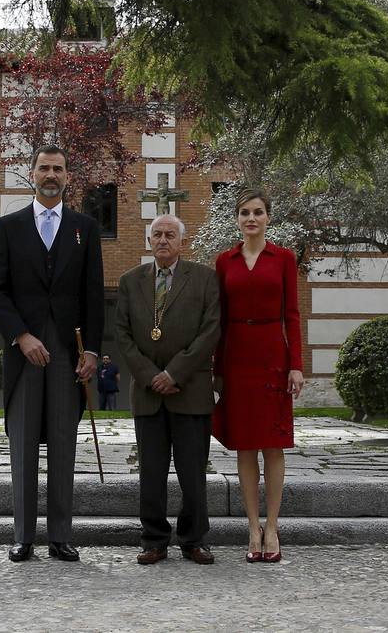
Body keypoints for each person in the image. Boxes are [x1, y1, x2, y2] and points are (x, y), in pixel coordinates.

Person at [0, 144, 104, 563]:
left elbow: (93, 294)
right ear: (32, 174)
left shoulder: (84, 228)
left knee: (63, 446)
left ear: (68, 176)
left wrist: (92, 351)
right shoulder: (8, 227)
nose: (51, 174)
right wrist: (20, 335)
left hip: (69, 352)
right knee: (22, 447)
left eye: (58, 168)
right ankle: (22, 537)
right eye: (44, 168)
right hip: (25, 353)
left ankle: (60, 536)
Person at [112, 214, 222, 566]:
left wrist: (174, 373)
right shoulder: (131, 281)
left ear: (181, 241)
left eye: (170, 234)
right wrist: (150, 375)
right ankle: (154, 540)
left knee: (193, 474)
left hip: (189, 391)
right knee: (151, 473)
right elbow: (123, 335)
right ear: (149, 240)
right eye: (157, 234)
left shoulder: (205, 279)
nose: (163, 240)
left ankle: (194, 540)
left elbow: (211, 332)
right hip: (148, 394)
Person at [213, 189, 304, 563]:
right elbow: (217, 318)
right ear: (237, 219)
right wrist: (215, 369)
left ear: (268, 218)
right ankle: (252, 528)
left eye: (258, 212)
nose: (251, 218)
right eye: (244, 213)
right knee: (246, 444)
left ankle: (273, 526)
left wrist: (296, 364)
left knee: (273, 443)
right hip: (236, 355)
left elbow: (293, 314)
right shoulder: (224, 261)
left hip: (272, 355)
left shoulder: (284, 258)